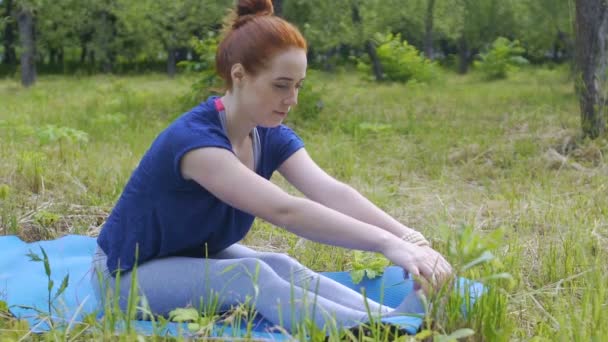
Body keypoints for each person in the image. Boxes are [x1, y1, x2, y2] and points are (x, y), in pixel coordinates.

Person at [91, 0, 452, 333]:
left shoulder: (267, 134)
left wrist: (410, 239)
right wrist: (387, 245)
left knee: (281, 265)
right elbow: (286, 210)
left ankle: (389, 319)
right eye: (281, 86)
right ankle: (375, 334)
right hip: (125, 276)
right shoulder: (195, 143)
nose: (291, 100)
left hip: (188, 253)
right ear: (239, 75)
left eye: (297, 86)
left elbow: (330, 191)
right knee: (249, 276)